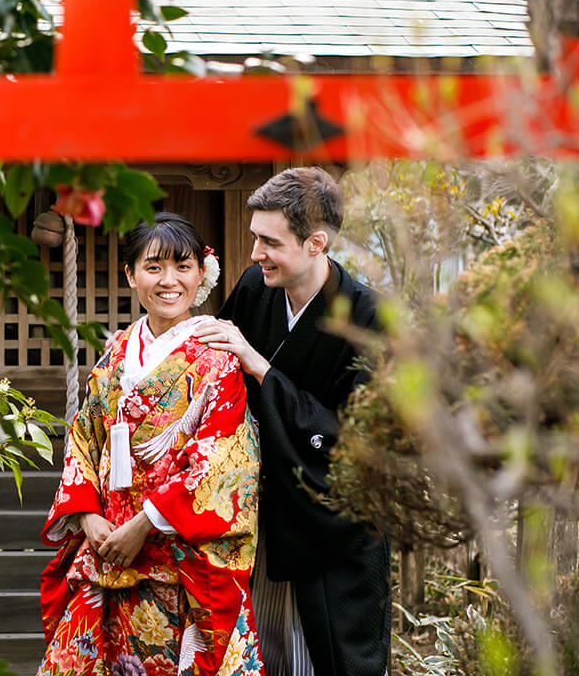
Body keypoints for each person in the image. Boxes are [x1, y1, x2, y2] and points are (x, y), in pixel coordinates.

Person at [37, 212, 264, 676]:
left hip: (173, 559)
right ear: (131, 274)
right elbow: (83, 440)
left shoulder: (217, 360)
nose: (169, 281)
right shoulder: (117, 352)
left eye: (183, 267)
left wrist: (142, 525)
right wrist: (88, 515)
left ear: (201, 273)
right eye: (153, 267)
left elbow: (220, 464)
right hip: (107, 550)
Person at [193, 167, 390, 676]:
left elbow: (355, 442)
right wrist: (142, 352)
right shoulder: (255, 289)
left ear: (316, 243)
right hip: (261, 520)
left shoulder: (371, 318)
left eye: (270, 242)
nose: (255, 253)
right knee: (259, 658)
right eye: (255, 237)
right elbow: (210, 369)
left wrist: (261, 368)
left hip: (331, 531)